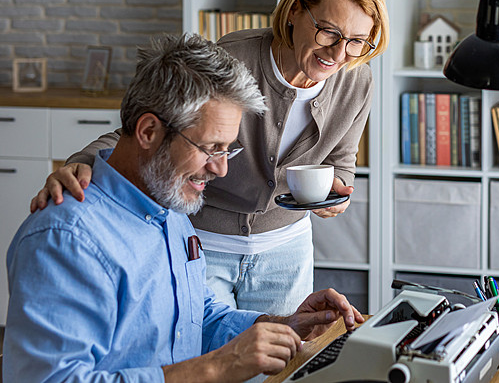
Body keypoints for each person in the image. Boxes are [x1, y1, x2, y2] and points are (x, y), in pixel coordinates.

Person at [30, 0, 389, 316]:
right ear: (295, 9)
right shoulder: (233, 59)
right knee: (208, 361)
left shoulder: (357, 80)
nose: (340, 54)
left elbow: (341, 162)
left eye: (358, 41)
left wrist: (336, 194)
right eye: (329, 32)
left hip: (287, 251)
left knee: (278, 367)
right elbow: (153, 129)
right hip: (206, 244)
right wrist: (83, 163)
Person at [4, 34, 364, 383]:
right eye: (210, 148)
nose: (221, 169)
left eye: (228, 150)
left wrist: (279, 325)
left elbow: (196, 318)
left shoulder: (171, 210)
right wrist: (218, 368)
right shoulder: (65, 240)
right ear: (148, 131)